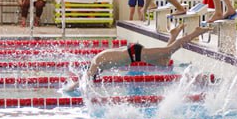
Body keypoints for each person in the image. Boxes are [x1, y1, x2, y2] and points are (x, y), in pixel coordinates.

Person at [67, 22, 208, 90]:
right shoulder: (97, 60)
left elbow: (85, 79)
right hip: (133, 52)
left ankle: (195, 32)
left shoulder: (95, 65)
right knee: (164, 61)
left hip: (134, 54)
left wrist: (68, 88)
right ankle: (173, 34)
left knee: (168, 51)